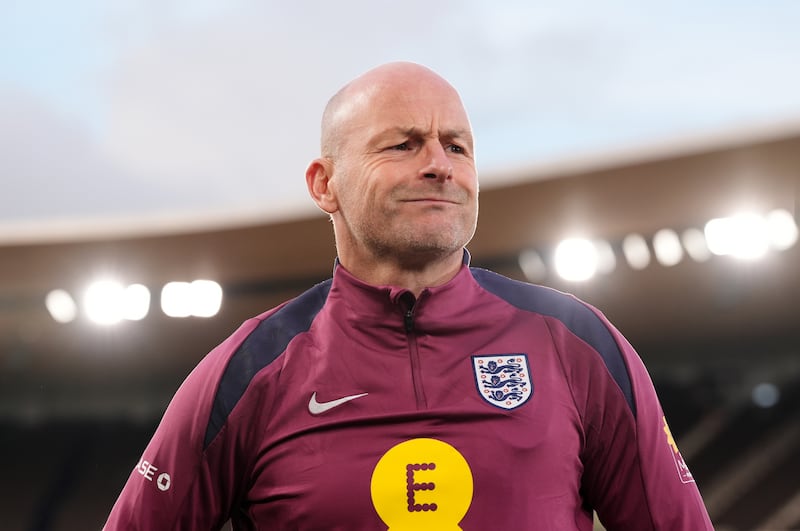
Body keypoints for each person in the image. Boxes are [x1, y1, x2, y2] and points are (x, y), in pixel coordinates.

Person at [104, 61, 713, 530]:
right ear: (325, 184)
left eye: (457, 146)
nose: (439, 165)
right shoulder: (248, 372)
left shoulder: (576, 344)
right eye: (403, 144)